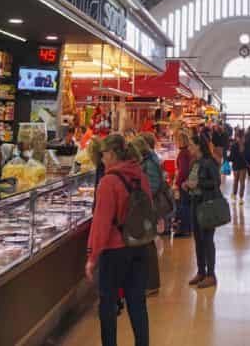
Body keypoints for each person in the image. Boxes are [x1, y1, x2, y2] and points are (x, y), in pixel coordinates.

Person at [86, 133, 151, 346]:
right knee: (137, 303)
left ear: (113, 154)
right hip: (139, 245)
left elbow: (101, 223)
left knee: (108, 305)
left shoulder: (108, 181)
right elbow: (148, 207)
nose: (102, 159)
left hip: (114, 250)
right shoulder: (140, 175)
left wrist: (92, 256)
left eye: (103, 154)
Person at [185, 137, 222, 288]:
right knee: (198, 239)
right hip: (195, 202)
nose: (189, 148)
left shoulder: (209, 162)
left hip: (206, 204)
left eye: (192, 145)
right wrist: (187, 185)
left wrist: (197, 183)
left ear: (199, 147)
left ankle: (211, 274)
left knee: (207, 239)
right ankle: (201, 271)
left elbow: (215, 182)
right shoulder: (194, 163)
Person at [132, 136, 164, 296]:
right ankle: (148, 282)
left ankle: (151, 284)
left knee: (148, 245)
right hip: (148, 207)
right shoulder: (149, 160)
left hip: (148, 208)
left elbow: (153, 185)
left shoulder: (149, 163)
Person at [174, 132, 194, 237]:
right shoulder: (188, 152)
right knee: (186, 205)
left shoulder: (182, 154)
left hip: (183, 183)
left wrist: (177, 183)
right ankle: (188, 228)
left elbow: (183, 170)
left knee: (184, 205)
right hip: (187, 182)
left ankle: (184, 229)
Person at [227, 130, 248, 201]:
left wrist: (228, 158)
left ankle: (234, 195)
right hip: (243, 166)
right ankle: (241, 198)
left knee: (235, 181)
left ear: (237, 137)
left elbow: (231, 157)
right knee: (242, 182)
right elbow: (249, 155)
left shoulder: (234, 145)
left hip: (236, 166)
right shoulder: (246, 145)